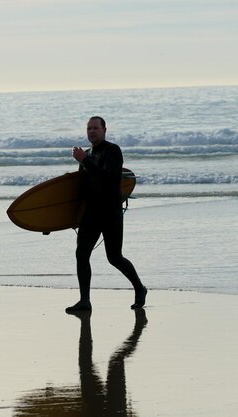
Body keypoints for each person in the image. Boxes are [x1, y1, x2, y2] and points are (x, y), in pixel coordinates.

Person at [66, 116, 147, 313]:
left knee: (114, 257)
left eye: (95, 128)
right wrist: (71, 217)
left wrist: (84, 161)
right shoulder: (86, 155)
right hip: (91, 213)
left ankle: (139, 288)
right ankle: (84, 300)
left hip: (110, 212)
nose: (91, 131)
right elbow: (82, 188)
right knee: (81, 254)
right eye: (88, 129)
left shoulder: (113, 151)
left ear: (104, 130)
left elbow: (109, 180)